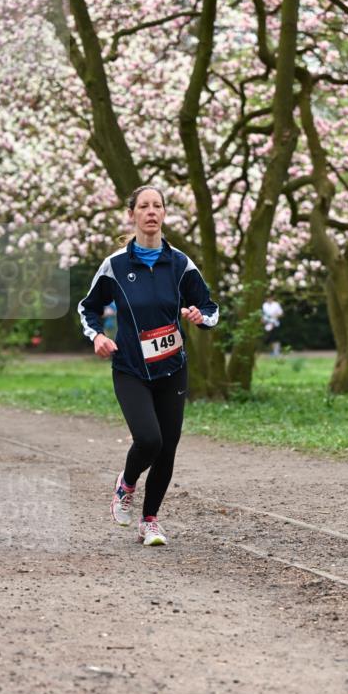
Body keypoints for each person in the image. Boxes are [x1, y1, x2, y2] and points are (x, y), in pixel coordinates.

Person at [78, 186, 218, 546]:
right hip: (130, 369)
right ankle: (126, 484)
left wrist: (200, 316)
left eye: (157, 206)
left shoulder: (180, 263)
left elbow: (210, 307)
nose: (151, 212)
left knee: (167, 446)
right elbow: (87, 307)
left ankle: (150, 521)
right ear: (132, 214)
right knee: (149, 439)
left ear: (164, 214)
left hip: (172, 367)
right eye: (144, 206)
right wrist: (96, 336)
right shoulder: (116, 265)